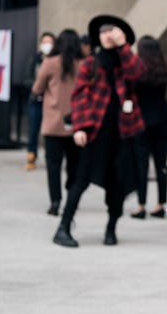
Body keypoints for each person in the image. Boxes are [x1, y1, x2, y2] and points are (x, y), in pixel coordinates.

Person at [52, 15, 145, 248]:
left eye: (111, 31)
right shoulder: (91, 63)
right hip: (95, 131)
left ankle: (111, 229)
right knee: (80, 180)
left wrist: (123, 46)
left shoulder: (127, 61)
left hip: (123, 133)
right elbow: (79, 96)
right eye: (103, 32)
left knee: (118, 183)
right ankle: (63, 227)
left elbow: (138, 75)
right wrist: (80, 127)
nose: (107, 35)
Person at [32, 29, 83, 216]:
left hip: (53, 123)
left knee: (53, 166)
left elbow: (37, 88)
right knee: (74, 165)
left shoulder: (50, 63)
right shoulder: (84, 64)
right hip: (77, 124)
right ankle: (71, 199)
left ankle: (55, 202)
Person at [130, 35, 167, 219]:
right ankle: (160, 203)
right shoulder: (163, 69)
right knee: (160, 163)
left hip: (141, 121)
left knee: (141, 164)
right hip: (161, 119)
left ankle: (141, 205)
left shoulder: (137, 71)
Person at [24, 32, 55, 170]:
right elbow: (27, 79)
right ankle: (32, 156)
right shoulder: (34, 59)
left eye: (50, 42)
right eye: (45, 42)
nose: (47, 45)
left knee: (52, 131)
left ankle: (52, 158)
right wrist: (38, 87)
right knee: (33, 129)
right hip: (36, 99)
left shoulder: (57, 60)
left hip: (52, 101)